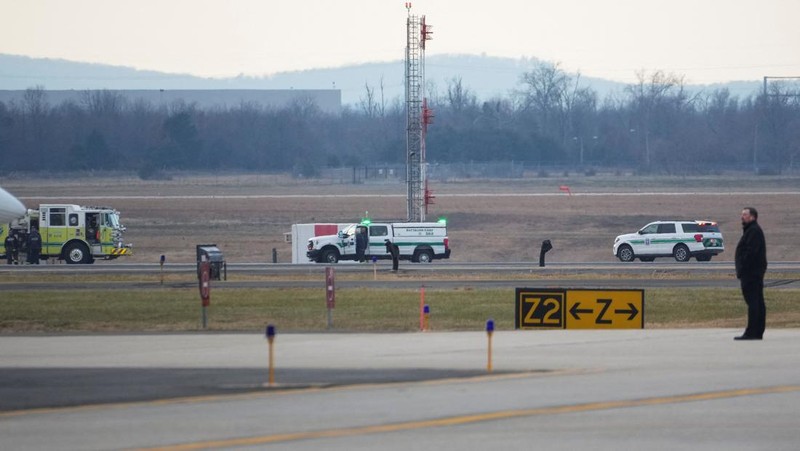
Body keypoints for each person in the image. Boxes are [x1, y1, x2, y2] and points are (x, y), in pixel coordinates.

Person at [734, 207, 767, 340]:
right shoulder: (751, 231)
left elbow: (751, 253)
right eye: (742, 214)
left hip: (751, 274)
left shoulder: (753, 231)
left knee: (754, 302)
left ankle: (752, 332)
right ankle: (757, 331)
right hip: (753, 273)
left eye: (745, 215)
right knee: (756, 301)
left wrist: (743, 268)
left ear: (752, 217)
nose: (742, 217)